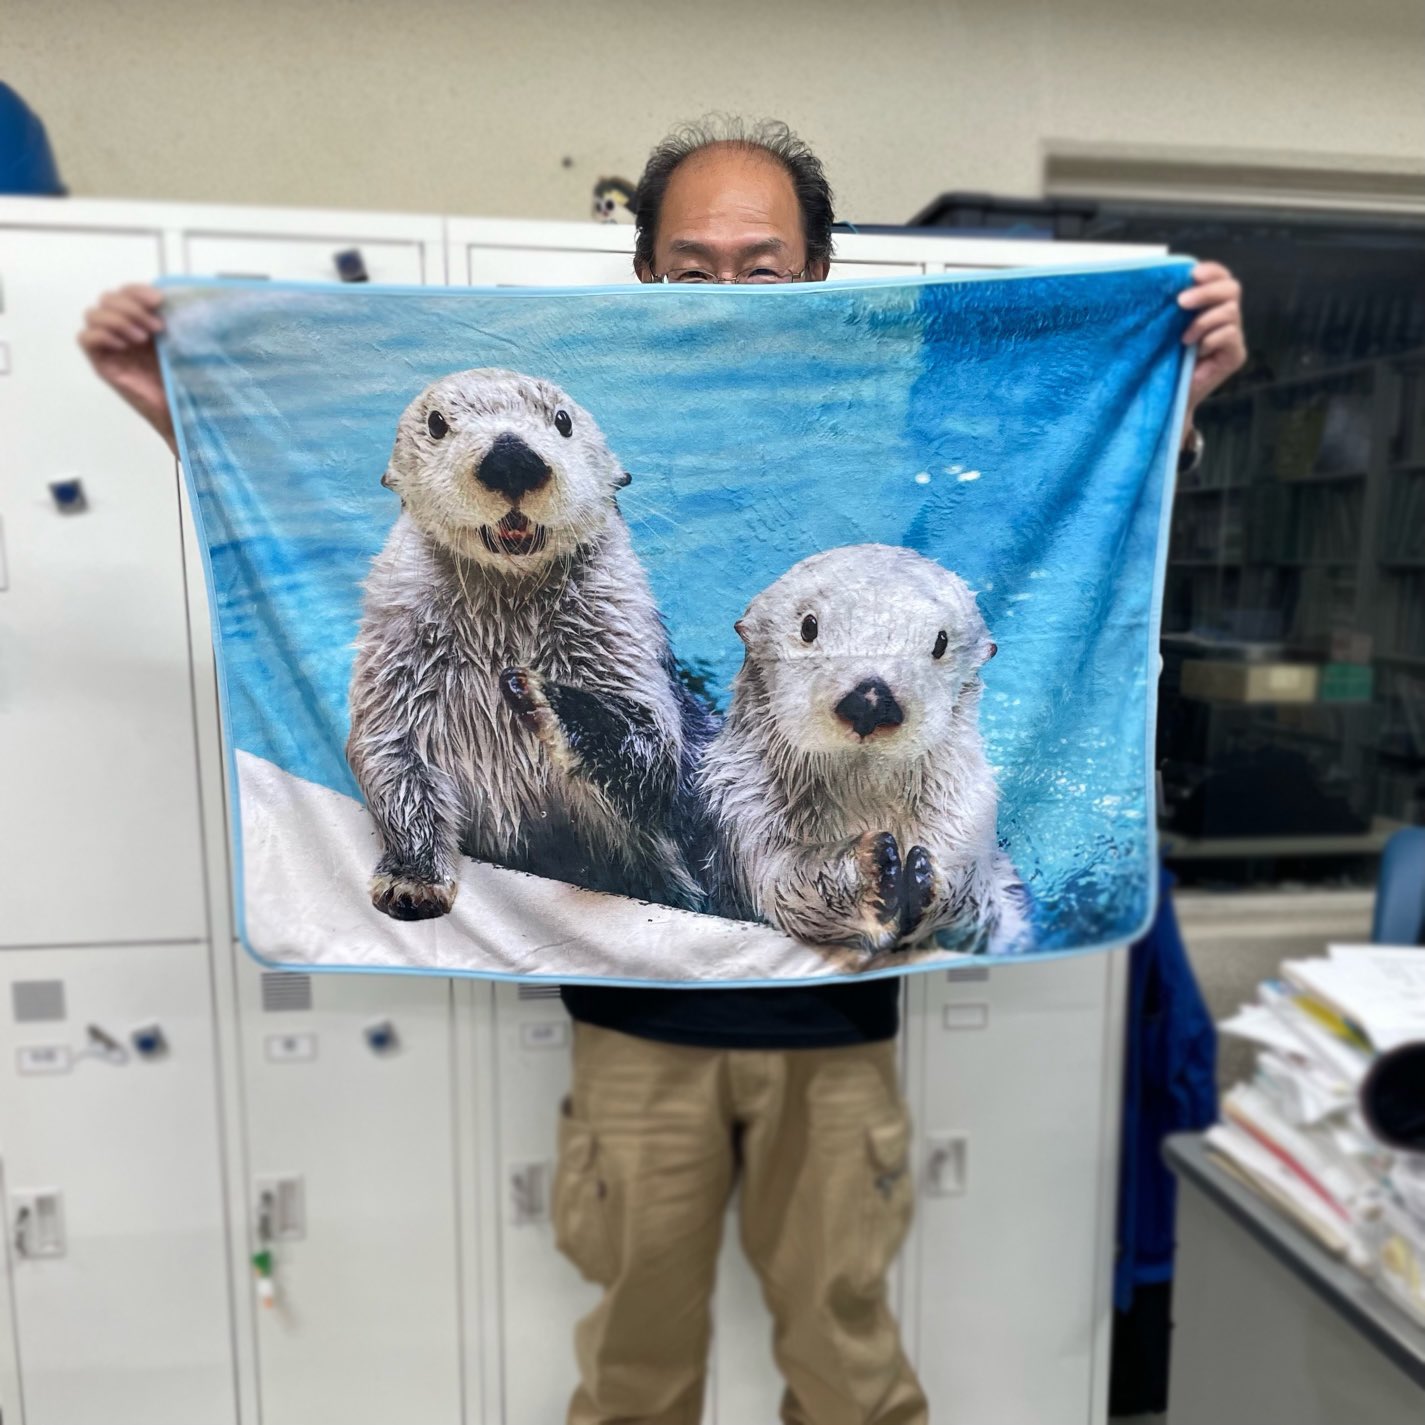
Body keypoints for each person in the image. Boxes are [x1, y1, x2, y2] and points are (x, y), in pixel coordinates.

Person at [79, 116, 1247, 1425]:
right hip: (637, 1028)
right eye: (692, 269)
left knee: (849, 1370)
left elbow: (1045, 540)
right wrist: (178, 410)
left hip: (838, 1021)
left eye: (763, 265)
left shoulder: (894, 445)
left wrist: (1171, 401)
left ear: (818, 270)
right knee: (633, 1378)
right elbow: (313, 524)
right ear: (640, 276)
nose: (727, 291)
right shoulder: (584, 412)